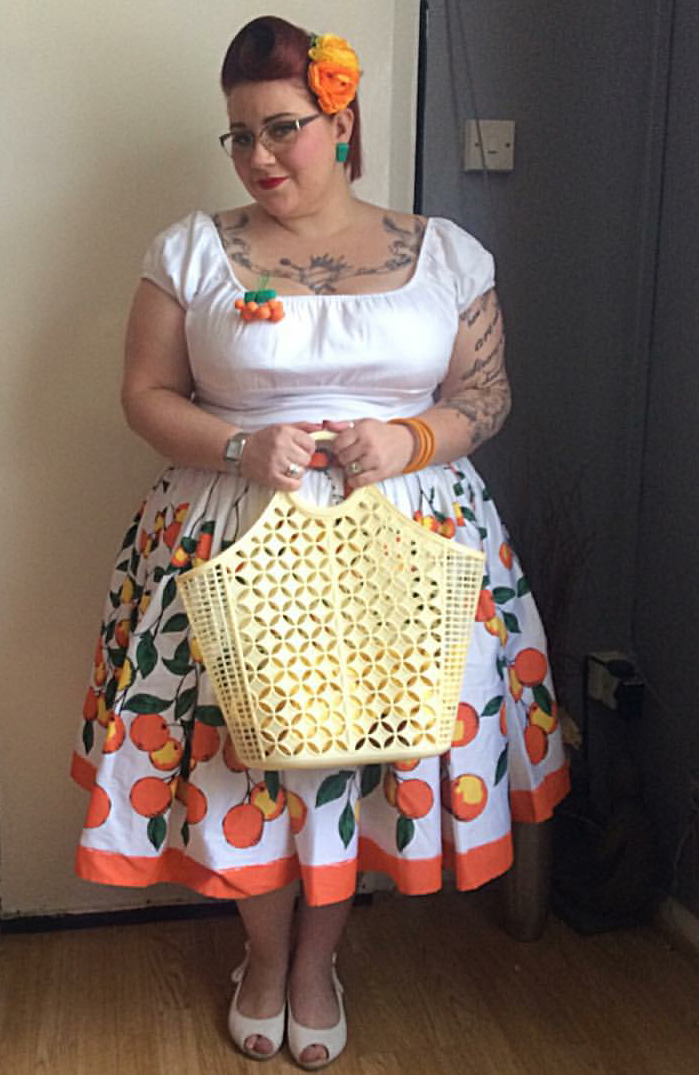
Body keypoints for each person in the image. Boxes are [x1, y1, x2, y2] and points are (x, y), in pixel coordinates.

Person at [71, 15, 570, 1070]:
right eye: (239, 134)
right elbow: (145, 394)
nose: (258, 156)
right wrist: (240, 442)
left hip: (410, 546)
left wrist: (408, 437)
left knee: (357, 760)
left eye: (281, 127)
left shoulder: (444, 252)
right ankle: (263, 959)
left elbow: (485, 394)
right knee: (245, 762)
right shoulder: (190, 251)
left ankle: (316, 962)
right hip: (228, 537)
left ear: (341, 122)